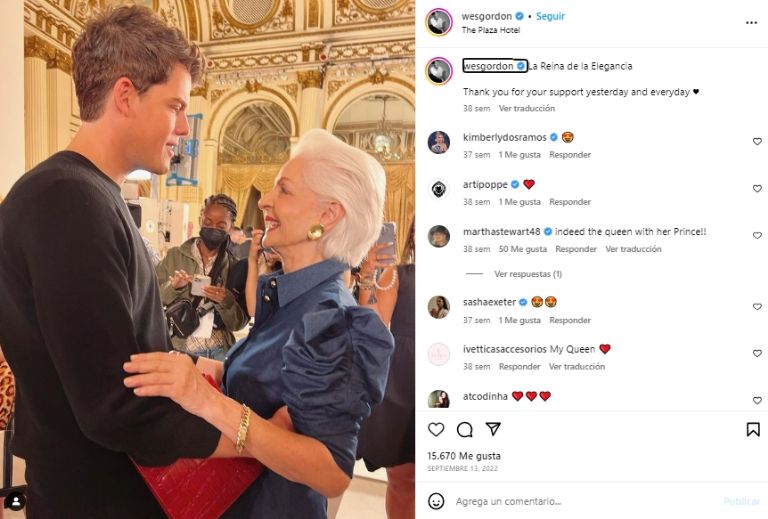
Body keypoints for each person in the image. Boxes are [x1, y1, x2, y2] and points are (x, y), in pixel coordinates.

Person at [0, 6, 231, 517]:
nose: (183, 128)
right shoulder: (66, 200)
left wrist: (201, 369)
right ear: (125, 96)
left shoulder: (87, 194)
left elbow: (125, 354)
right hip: (94, 495)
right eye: (175, 106)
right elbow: (114, 405)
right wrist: (250, 437)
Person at [124, 128, 394, 518]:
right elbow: (267, 384)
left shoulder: (332, 320)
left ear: (328, 215)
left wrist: (207, 401)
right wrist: (192, 365)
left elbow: (330, 472)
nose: (264, 201)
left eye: (284, 190)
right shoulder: (288, 298)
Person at [356, 220, 415, 519]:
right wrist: (367, 277)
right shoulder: (397, 275)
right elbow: (375, 325)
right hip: (404, 384)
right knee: (403, 478)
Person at [156, 194, 249, 360]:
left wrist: (226, 301)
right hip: (180, 350)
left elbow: (238, 324)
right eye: (208, 222)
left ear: (231, 227)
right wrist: (173, 287)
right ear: (200, 219)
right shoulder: (174, 256)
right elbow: (152, 298)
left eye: (221, 225)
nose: (213, 228)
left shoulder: (235, 267)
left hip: (218, 352)